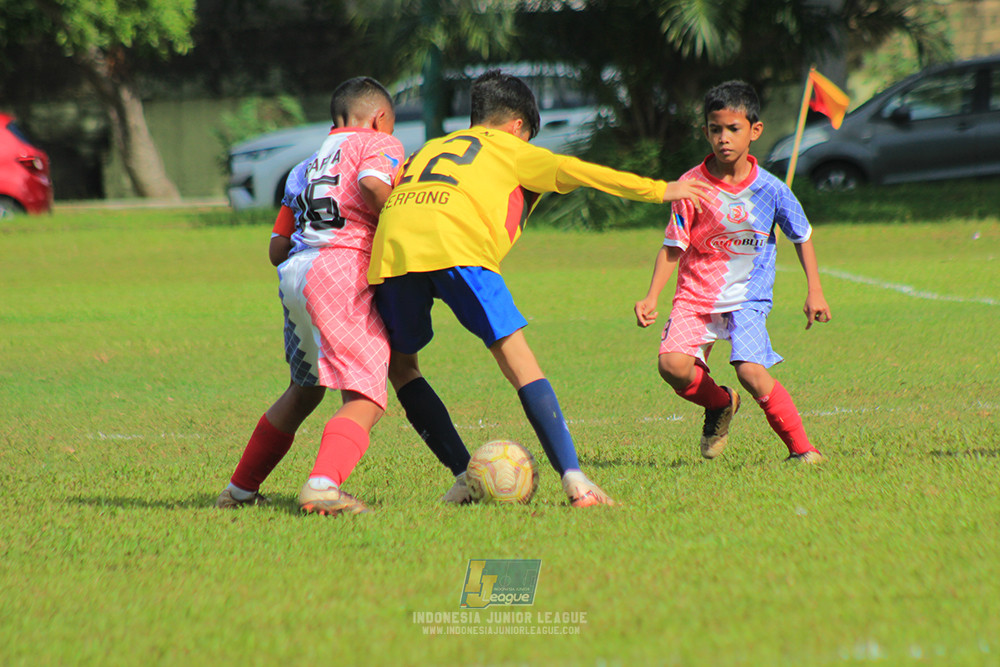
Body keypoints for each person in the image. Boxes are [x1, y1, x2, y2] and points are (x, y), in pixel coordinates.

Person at [368, 69, 715, 507]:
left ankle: (463, 475)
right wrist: (661, 189)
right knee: (518, 360)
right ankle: (575, 481)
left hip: (393, 251)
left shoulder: (429, 148)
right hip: (458, 246)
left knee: (402, 368)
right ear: (518, 127)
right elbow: (579, 171)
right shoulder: (512, 149)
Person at [215, 76, 404, 514]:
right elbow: (376, 186)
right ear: (380, 118)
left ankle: (239, 490)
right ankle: (322, 486)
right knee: (367, 396)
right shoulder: (379, 145)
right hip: (341, 274)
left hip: (297, 274)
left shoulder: (306, 164)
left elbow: (276, 247)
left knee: (304, 389)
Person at [633, 80, 831, 463]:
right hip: (696, 295)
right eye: (715, 129)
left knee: (752, 372)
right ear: (705, 131)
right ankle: (721, 404)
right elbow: (673, 245)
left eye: (733, 129)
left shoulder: (772, 190)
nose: (724, 138)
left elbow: (802, 236)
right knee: (672, 366)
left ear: (754, 131)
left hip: (747, 298)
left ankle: (803, 450)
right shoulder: (690, 186)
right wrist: (651, 295)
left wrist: (815, 291)